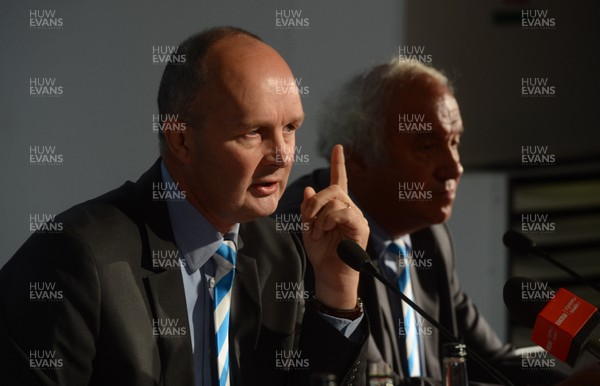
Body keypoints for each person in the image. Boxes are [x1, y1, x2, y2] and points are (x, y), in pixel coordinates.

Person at [0, 27, 370, 386]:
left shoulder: (281, 252)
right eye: (253, 132)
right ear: (181, 140)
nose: (283, 155)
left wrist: (337, 290)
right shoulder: (73, 258)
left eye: (290, 127)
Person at [276, 58, 600, 386]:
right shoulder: (308, 230)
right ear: (359, 158)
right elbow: (374, 381)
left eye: (455, 142)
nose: (454, 167)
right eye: (428, 147)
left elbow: (490, 361)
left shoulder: (428, 236)